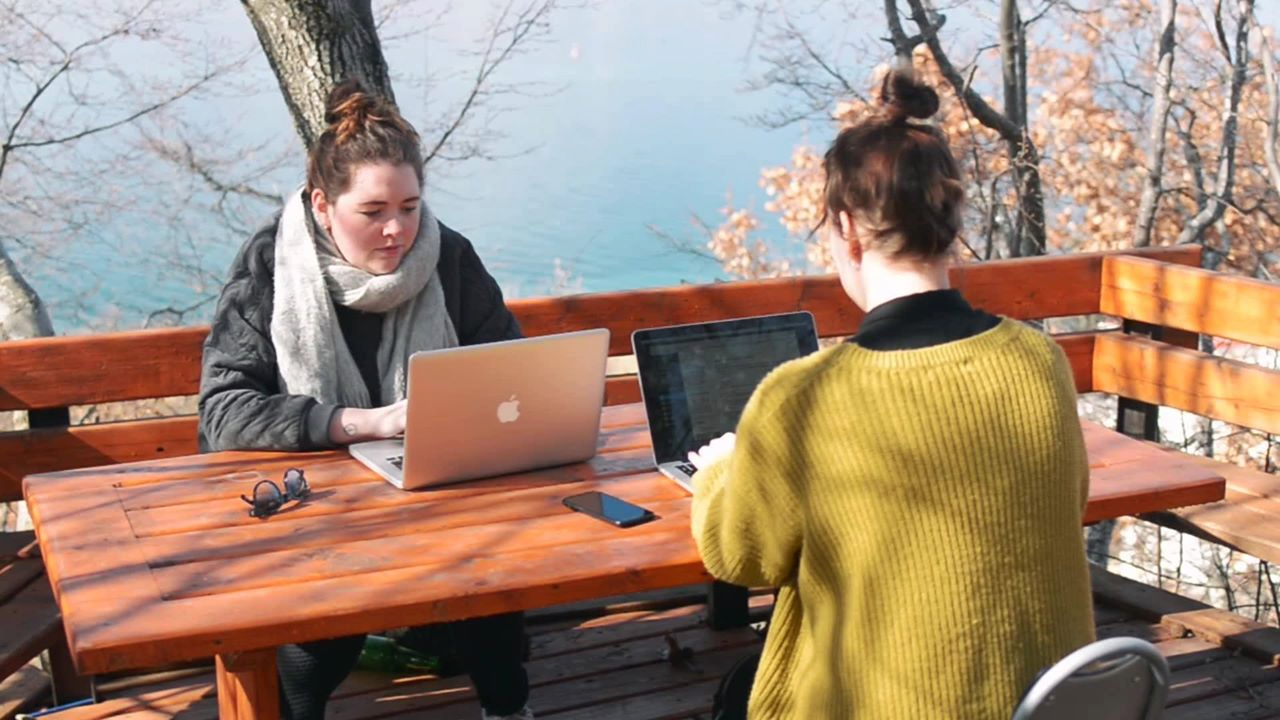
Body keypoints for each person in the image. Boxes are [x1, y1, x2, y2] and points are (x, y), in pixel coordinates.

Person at [686, 66, 1096, 719]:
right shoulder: (1036, 361)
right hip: (1041, 704)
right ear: (950, 221)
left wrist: (717, 473)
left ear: (846, 229)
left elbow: (741, 554)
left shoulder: (803, 399)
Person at [198, 79, 533, 720]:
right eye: (373, 211)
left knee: (489, 569)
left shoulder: (449, 256)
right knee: (330, 624)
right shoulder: (272, 264)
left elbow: (509, 368)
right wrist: (360, 423)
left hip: (432, 486)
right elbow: (224, 411)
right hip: (307, 499)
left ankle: (507, 708)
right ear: (323, 206)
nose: (397, 230)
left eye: (410, 207)